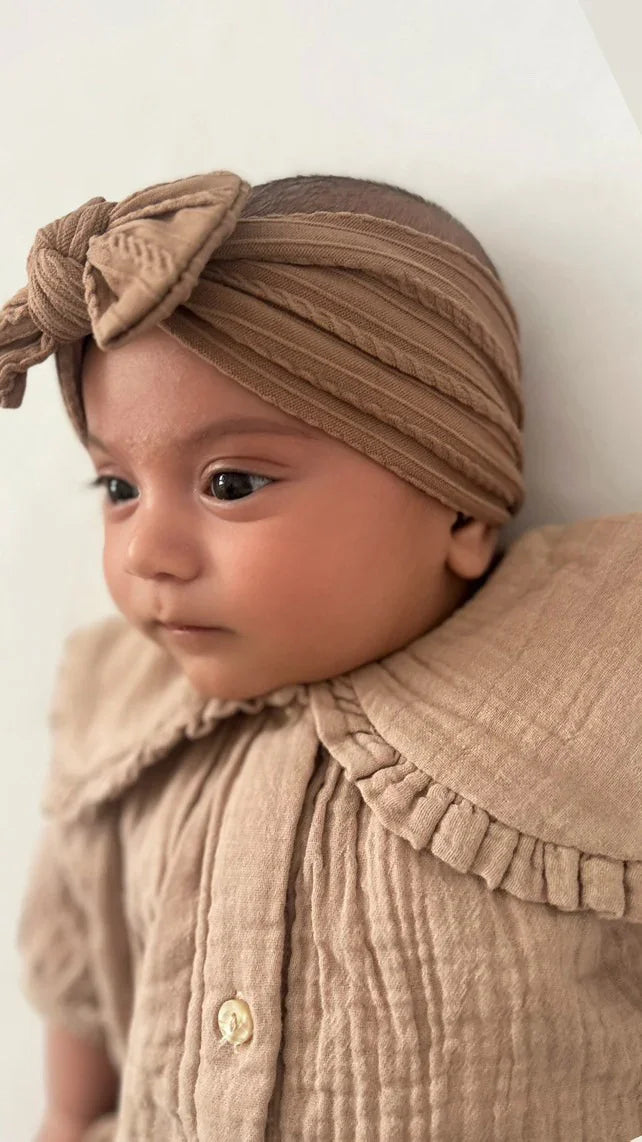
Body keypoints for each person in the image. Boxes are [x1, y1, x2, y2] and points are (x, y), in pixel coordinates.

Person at [0, 170, 640, 1142]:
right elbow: (80, 986)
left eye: (231, 482)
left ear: (458, 506)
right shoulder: (118, 712)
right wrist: (64, 1116)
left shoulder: (595, 678)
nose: (145, 553)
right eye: (118, 488)